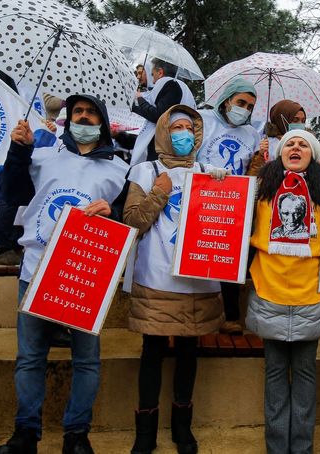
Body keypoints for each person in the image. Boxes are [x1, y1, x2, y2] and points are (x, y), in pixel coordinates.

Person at [0, 94, 129, 454]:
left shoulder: (118, 169)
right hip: (37, 269)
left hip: (87, 274)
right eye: (77, 112)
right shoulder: (42, 156)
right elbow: (13, 193)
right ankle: (25, 433)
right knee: (30, 357)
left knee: (86, 359)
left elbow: (124, 214)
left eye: (91, 113)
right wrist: (18, 152)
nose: (83, 118)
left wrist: (113, 210)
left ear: (102, 122)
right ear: (68, 119)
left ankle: (76, 435)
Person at [124, 105, 228, 454]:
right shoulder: (145, 169)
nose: (184, 133)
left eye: (189, 127)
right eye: (176, 126)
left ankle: (183, 428)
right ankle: (145, 432)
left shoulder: (210, 173)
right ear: (164, 132)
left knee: (189, 352)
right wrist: (159, 191)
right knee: (152, 352)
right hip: (156, 278)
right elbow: (133, 222)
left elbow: (230, 217)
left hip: (198, 281)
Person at [245, 130, 320, 454]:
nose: (296, 147)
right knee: (275, 377)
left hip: (310, 295)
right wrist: (222, 181)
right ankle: (276, 449)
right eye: (290, 144)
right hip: (270, 294)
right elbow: (233, 208)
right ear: (280, 153)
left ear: (313, 155)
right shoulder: (262, 190)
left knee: (306, 377)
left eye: (303, 144)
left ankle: (302, 449)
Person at [196, 78, 261, 335]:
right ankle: (198, 315)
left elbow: (253, 172)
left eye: (249, 106)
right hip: (202, 199)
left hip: (235, 205)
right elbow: (188, 154)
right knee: (199, 255)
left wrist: (258, 160)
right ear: (227, 100)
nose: (244, 109)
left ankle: (231, 316)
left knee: (230, 258)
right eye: (240, 102)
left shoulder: (252, 134)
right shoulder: (202, 120)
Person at [131, 58, 196, 165]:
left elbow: (157, 115)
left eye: (152, 74)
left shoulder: (171, 85)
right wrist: (134, 108)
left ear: (160, 72)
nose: (153, 81)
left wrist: (139, 98)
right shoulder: (181, 87)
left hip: (164, 146)